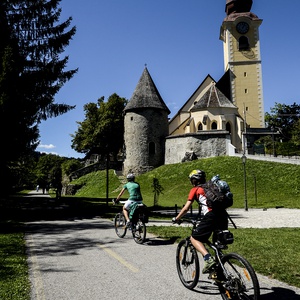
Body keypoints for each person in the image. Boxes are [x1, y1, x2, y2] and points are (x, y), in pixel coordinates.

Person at [172, 169, 229, 274]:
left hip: (211, 216)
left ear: (194, 180)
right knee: (217, 245)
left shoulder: (195, 189)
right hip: (223, 216)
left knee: (194, 238)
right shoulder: (212, 187)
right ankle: (219, 273)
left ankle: (208, 259)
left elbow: (186, 208)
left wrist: (177, 218)